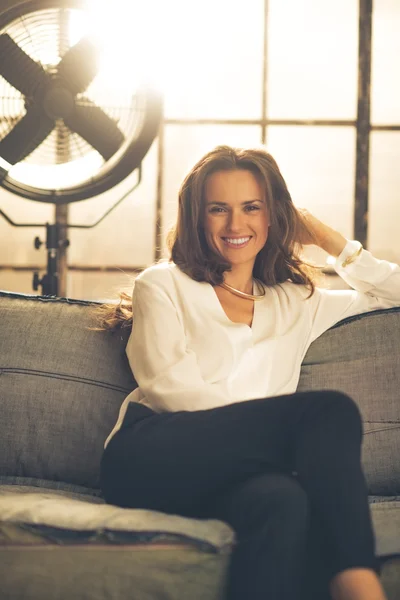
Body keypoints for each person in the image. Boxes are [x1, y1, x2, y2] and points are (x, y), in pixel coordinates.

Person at [97, 145, 400, 600]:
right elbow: (170, 390)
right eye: (218, 209)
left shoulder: (296, 301)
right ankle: (361, 588)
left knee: (283, 502)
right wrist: (292, 443)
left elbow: (391, 295)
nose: (236, 225)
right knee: (328, 414)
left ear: (274, 215)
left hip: (235, 474)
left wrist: (327, 238)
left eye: (251, 208)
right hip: (151, 453)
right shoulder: (162, 284)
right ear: (197, 217)